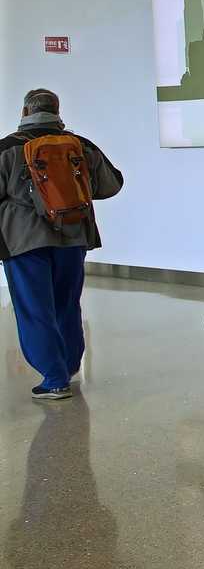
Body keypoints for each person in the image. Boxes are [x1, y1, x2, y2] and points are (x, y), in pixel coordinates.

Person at [0, 89, 124, 401]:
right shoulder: (79, 145)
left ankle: (53, 379)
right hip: (73, 236)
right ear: (57, 111)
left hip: (23, 241)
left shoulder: (7, 148)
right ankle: (68, 367)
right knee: (67, 304)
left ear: (25, 112)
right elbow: (113, 184)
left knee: (34, 308)